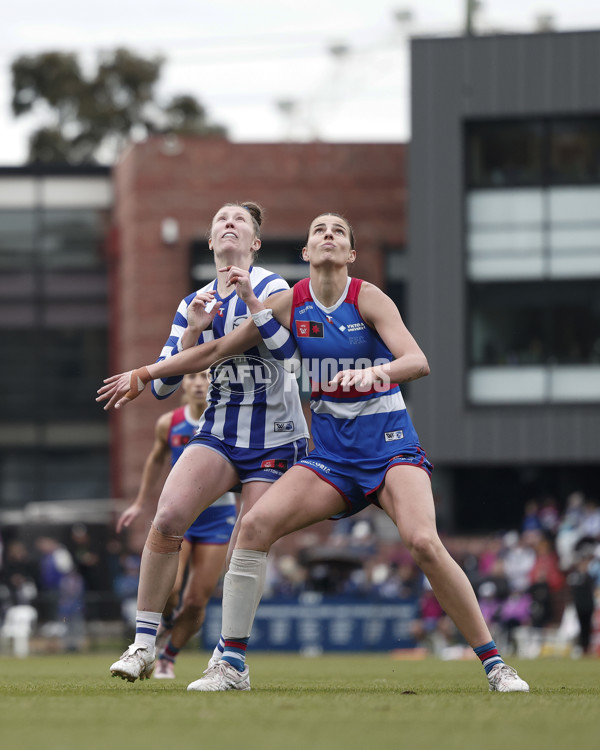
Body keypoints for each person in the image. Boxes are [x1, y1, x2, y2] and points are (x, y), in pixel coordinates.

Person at [99, 212, 529, 693]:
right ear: (306, 253)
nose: (328, 235)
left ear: (350, 253)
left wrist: (374, 374)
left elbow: (418, 361)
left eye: (339, 231)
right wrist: (147, 373)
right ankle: (231, 665)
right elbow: (214, 350)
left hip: (389, 448)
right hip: (331, 458)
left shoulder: (368, 297)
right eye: (318, 231)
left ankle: (495, 664)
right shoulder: (287, 302)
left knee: (424, 543)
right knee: (255, 526)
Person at [102, 201, 309, 682]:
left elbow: (287, 351)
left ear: (254, 243)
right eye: (220, 220)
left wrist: (252, 304)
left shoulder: (276, 286)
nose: (229, 224)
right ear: (213, 243)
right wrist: (194, 327)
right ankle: (142, 646)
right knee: (168, 517)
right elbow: (162, 388)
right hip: (219, 429)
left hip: (276, 437)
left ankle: (231, 659)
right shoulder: (191, 302)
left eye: (240, 220)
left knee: (248, 539)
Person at [115, 371, 238, 679]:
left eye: (207, 376)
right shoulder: (168, 423)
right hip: (182, 518)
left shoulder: (230, 420)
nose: (199, 382)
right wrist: (139, 502)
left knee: (196, 602)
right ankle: (162, 626)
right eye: (193, 376)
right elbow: (156, 459)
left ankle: (169, 656)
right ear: (183, 383)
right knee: (171, 592)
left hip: (217, 519)